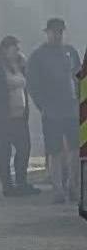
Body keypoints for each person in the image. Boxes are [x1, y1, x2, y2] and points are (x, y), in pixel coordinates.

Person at [26, 18, 81, 204]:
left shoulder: (71, 53)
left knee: (75, 149)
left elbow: (80, 77)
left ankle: (74, 186)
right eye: (53, 32)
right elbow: (33, 84)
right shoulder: (39, 56)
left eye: (60, 32)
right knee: (54, 150)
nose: (57, 35)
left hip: (72, 109)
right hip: (52, 110)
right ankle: (58, 188)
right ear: (47, 33)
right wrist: (43, 105)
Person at [0, 35, 39, 197]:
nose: (17, 52)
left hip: (20, 116)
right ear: (5, 49)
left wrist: (24, 65)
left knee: (24, 149)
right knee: (4, 151)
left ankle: (22, 182)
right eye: (14, 49)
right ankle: (7, 185)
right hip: (3, 117)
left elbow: (26, 83)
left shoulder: (19, 65)